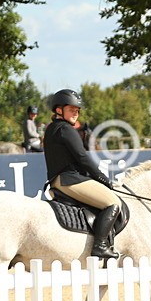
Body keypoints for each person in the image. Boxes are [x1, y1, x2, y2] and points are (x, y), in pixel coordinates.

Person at [42, 89, 122, 260]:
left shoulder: (51, 129)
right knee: (113, 203)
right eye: (71, 109)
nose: (76, 114)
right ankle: (100, 246)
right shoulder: (66, 129)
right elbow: (82, 157)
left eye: (77, 110)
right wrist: (101, 178)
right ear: (58, 110)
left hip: (58, 180)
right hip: (70, 179)